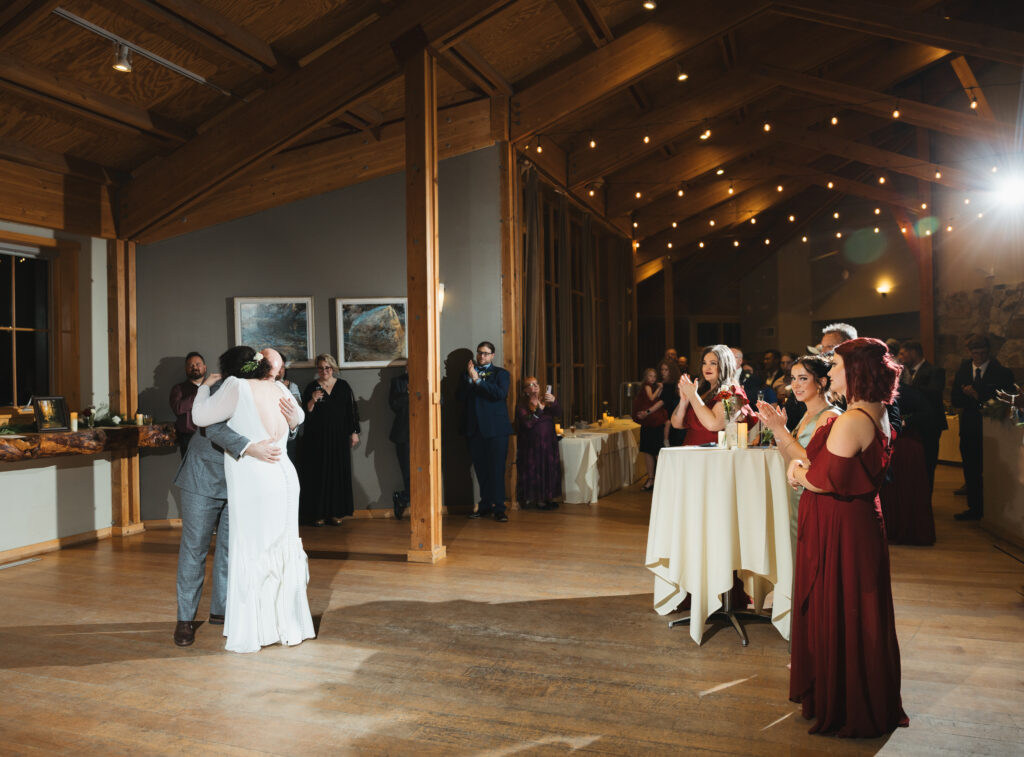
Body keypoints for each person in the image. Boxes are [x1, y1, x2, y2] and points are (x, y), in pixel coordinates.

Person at [786, 337, 908, 737]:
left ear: (856, 371)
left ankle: (845, 702)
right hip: (857, 521)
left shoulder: (853, 418)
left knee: (841, 604)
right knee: (855, 608)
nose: (831, 371)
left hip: (840, 527)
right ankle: (855, 693)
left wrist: (798, 473)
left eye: (835, 365)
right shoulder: (876, 410)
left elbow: (824, 481)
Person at [190, 346, 313, 654]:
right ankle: (288, 625)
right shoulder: (276, 387)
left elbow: (200, 417)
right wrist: (292, 420)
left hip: (256, 477)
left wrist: (205, 388)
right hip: (285, 474)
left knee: (252, 549)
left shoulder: (235, 385)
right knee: (281, 546)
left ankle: (256, 629)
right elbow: (298, 417)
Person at [172, 367, 284, 647]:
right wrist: (250, 447)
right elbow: (212, 427)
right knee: (194, 549)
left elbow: (276, 426)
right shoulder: (224, 388)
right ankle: (184, 620)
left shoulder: (266, 391)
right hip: (202, 478)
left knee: (229, 548)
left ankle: (220, 610)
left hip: (239, 482)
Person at [756, 354, 840, 553]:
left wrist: (782, 431)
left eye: (803, 378)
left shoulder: (829, 415)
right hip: (798, 496)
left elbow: (811, 461)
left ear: (821, 382)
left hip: (816, 497)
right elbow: (791, 459)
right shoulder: (806, 415)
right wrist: (777, 431)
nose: (796, 385)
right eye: (793, 379)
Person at [950, 334, 1016, 521]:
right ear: (969, 352)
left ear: (988, 352)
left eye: (982, 353)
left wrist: (977, 396)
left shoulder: (1001, 373)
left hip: (994, 430)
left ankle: (996, 509)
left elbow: (1005, 403)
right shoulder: (963, 370)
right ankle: (975, 508)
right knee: (971, 469)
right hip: (970, 427)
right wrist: (970, 397)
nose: (978, 356)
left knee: (994, 470)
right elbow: (955, 399)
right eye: (975, 353)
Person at [300, 354, 361, 527]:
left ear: (332, 368)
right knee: (318, 474)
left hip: (339, 437)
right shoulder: (312, 387)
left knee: (337, 473)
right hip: (317, 438)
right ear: (317, 369)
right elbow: (305, 413)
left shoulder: (343, 386)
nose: (324, 371)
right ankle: (318, 514)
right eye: (321, 368)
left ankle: (336, 513)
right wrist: (312, 399)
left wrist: (354, 432)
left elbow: (351, 411)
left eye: (327, 367)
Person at [457, 341, 513, 522]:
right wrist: (469, 378)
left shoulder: (501, 374)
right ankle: (485, 506)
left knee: (497, 470)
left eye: (486, 353)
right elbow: (459, 397)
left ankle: (500, 508)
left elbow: (499, 394)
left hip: (496, 430)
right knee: (481, 470)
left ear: (492, 356)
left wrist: (478, 380)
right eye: (480, 353)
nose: (482, 356)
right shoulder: (466, 374)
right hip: (474, 430)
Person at [670, 344, 752, 446]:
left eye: (713, 363)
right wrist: (684, 400)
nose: (707, 367)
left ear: (725, 365)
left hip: (713, 454)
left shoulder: (730, 391)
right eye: (704, 363)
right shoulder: (702, 392)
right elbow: (676, 424)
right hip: (691, 451)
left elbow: (714, 424)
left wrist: (692, 396)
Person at [515, 377, 562, 509]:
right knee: (537, 470)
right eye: (530, 385)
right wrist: (539, 410)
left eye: (536, 383)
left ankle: (549, 497)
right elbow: (528, 423)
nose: (534, 386)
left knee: (549, 469)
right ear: (525, 391)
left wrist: (554, 402)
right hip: (533, 446)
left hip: (549, 442)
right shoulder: (522, 405)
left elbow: (558, 413)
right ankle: (539, 500)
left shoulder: (545, 400)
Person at [632, 367, 667, 490]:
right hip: (649, 421)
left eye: (654, 376)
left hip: (653, 422)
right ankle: (652, 479)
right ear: (646, 377)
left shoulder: (651, 387)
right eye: (650, 376)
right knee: (649, 450)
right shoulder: (647, 386)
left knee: (655, 449)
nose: (652, 378)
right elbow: (652, 398)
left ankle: (660, 479)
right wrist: (660, 388)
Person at [169, 352, 207, 457]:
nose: (194, 367)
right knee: (191, 472)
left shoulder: (215, 387)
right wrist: (202, 391)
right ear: (186, 369)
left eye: (198, 364)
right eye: (191, 365)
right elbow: (178, 408)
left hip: (212, 437)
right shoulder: (178, 389)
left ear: (205, 367)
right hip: (189, 438)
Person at [389, 370, 410, 519]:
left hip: (427, 434)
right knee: (408, 473)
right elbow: (394, 405)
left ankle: (403, 497)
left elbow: (440, 402)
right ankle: (405, 498)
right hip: (404, 434)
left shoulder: (431, 378)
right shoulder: (397, 382)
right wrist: (407, 393)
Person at [658, 358, 685, 447]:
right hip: (663, 418)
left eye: (666, 370)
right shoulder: (661, 384)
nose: (663, 372)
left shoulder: (673, 385)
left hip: (671, 418)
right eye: (662, 369)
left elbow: (664, 401)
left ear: (671, 371)